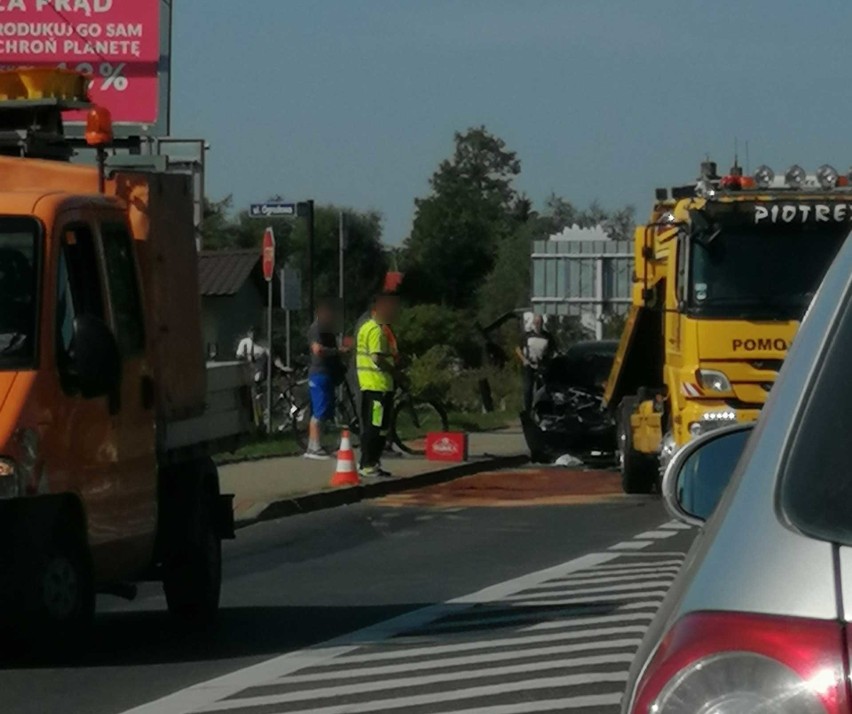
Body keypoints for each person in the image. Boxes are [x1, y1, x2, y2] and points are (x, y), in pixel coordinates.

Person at [355, 292, 399, 478]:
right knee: (376, 428)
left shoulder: (367, 327)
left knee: (377, 427)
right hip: (377, 387)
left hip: (373, 386)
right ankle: (368, 463)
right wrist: (395, 372)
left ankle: (370, 462)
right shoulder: (375, 330)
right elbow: (376, 358)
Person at [305, 299, 348, 459]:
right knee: (320, 411)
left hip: (327, 372)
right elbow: (318, 350)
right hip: (319, 373)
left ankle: (314, 444)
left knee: (324, 409)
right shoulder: (315, 329)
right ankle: (313, 448)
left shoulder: (326, 330)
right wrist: (337, 351)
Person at [516, 313, 556, 413]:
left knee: (541, 390)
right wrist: (524, 360)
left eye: (540, 322)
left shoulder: (547, 336)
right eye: (536, 322)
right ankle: (527, 411)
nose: (538, 324)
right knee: (528, 389)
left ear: (542, 323)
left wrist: (549, 361)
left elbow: (553, 350)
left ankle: (540, 412)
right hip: (528, 365)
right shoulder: (527, 336)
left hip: (542, 366)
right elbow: (518, 349)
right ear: (533, 323)